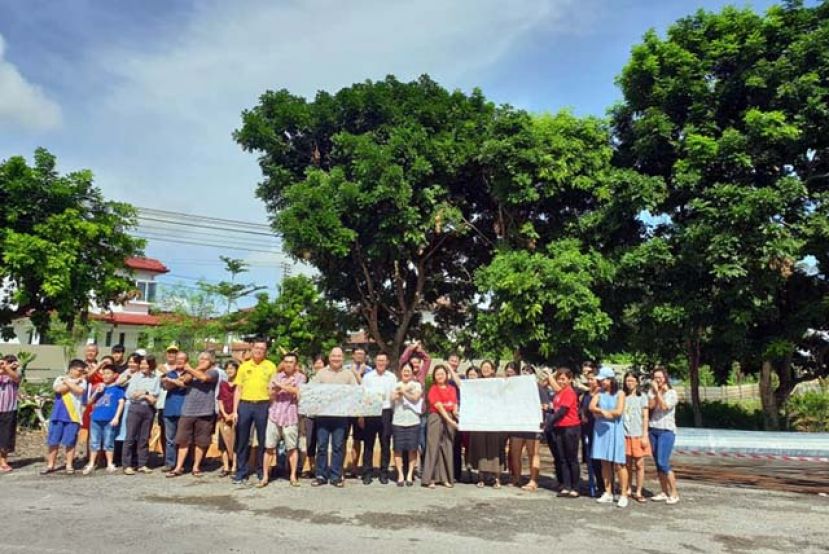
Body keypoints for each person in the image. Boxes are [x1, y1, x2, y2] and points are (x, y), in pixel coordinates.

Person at [168, 351, 219, 478]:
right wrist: (193, 369)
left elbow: (204, 378)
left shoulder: (213, 372)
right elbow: (185, 380)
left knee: (201, 442)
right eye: (200, 359)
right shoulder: (192, 371)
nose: (202, 361)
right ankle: (178, 467)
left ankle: (196, 466)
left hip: (205, 411)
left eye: (205, 359)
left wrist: (191, 369)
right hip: (188, 410)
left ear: (211, 361)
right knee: (183, 440)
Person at [233, 339, 277, 485]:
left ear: (266, 351)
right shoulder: (244, 366)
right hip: (245, 405)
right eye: (256, 348)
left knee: (264, 440)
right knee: (242, 439)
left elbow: (273, 390)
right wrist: (235, 411)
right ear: (252, 349)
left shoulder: (270, 366)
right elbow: (238, 389)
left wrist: (272, 407)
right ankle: (241, 472)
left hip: (263, 405)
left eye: (262, 349)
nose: (259, 350)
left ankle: (260, 471)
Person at [311, 347, 357, 488]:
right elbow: (312, 391)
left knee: (338, 447)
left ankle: (336, 476)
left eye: (339, 356)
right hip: (323, 416)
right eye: (333, 356)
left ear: (342, 358)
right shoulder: (321, 374)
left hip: (341, 416)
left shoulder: (348, 375)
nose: (336, 358)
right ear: (329, 358)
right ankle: (321, 475)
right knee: (322, 446)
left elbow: (355, 392)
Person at [260, 352, 306, 488]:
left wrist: (281, 386)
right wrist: (278, 388)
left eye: (291, 362)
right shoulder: (276, 376)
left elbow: (298, 392)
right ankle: (265, 476)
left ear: (296, 365)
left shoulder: (301, 377)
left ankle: (292, 476)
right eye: (286, 361)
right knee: (269, 447)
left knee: (292, 448)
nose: (288, 364)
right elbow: (270, 393)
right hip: (274, 415)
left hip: (291, 416)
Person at [590, 366, 629, 508]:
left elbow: (618, 411)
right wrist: (602, 411)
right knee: (604, 462)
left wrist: (604, 413)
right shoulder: (599, 392)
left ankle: (624, 494)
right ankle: (608, 492)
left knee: (619, 463)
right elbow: (591, 407)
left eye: (604, 380)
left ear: (610, 380)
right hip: (601, 430)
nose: (602, 383)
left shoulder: (620, 393)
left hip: (615, 430)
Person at [42, 359, 87, 475]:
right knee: (53, 441)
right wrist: (72, 382)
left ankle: (69, 464)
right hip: (57, 415)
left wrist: (69, 382)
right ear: (71, 369)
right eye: (79, 370)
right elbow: (58, 389)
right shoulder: (59, 378)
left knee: (70, 442)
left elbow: (80, 391)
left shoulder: (82, 381)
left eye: (82, 371)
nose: (81, 373)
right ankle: (51, 465)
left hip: (73, 416)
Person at [360, 352, 397, 485]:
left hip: (386, 411)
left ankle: (384, 473)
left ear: (387, 362)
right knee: (368, 444)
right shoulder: (368, 377)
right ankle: (367, 473)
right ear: (375, 362)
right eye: (379, 360)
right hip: (370, 413)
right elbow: (362, 396)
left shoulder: (392, 377)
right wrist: (362, 415)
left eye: (383, 360)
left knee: (385, 443)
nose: (381, 363)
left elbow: (394, 395)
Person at [467, 360, 504, 489]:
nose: (486, 369)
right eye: (484, 367)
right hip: (480, 422)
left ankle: (497, 478)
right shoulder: (476, 384)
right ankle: (481, 477)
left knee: (495, 450)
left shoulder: (499, 383)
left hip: (495, 422)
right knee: (481, 449)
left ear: (493, 370)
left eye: (488, 367)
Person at [83, 365, 126, 474]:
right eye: (104, 373)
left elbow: (121, 403)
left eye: (108, 373)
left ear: (115, 375)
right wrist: (97, 391)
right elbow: (89, 402)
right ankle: (92, 463)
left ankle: (109, 463)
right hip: (96, 418)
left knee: (108, 442)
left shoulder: (118, 389)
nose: (106, 376)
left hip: (109, 419)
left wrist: (116, 417)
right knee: (94, 442)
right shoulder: (99, 387)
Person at [508, 364, 545, 492]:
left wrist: (536, 408)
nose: (526, 374)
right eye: (523, 372)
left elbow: (546, 405)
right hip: (518, 425)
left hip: (533, 426)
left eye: (529, 372)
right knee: (515, 453)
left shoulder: (538, 388)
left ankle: (533, 480)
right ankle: (517, 478)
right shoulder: (515, 389)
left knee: (533, 453)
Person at [123, 355, 161, 475]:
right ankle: (127, 465)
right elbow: (131, 395)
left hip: (149, 409)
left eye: (147, 364)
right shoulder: (135, 377)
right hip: (135, 408)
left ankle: (142, 464)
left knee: (144, 438)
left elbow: (155, 397)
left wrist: (144, 392)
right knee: (130, 437)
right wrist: (147, 394)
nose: (144, 366)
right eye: (142, 364)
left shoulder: (155, 378)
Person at [547, 367, 582, 497]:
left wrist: (548, 423)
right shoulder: (559, 393)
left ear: (569, 379)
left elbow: (562, 411)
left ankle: (575, 486)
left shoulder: (569, 392)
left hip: (570, 428)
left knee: (571, 458)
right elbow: (555, 409)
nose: (561, 382)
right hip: (559, 427)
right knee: (562, 458)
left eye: (563, 379)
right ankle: (566, 485)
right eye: (559, 379)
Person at [422, 365, 458, 489]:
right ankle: (430, 478)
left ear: (447, 375)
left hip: (449, 417)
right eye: (437, 374)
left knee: (447, 446)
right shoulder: (433, 389)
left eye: (442, 373)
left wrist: (456, 415)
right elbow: (439, 406)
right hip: (436, 417)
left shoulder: (452, 389)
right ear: (434, 376)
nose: (440, 376)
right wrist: (450, 421)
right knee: (433, 447)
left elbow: (454, 405)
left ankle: (445, 478)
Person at [649, 366, 680, 504]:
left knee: (663, 462)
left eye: (660, 377)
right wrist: (655, 393)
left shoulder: (672, 393)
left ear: (665, 378)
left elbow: (664, 407)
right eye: (655, 378)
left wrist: (659, 392)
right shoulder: (652, 392)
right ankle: (664, 491)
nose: (658, 380)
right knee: (657, 463)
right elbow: (650, 406)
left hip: (666, 430)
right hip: (653, 429)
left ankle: (674, 493)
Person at [399, 341, 431, 462]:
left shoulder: (422, 375)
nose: (416, 366)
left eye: (418, 363)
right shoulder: (406, 375)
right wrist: (411, 348)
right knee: (409, 443)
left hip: (421, 414)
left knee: (423, 442)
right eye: (413, 364)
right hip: (408, 412)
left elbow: (428, 359)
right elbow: (402, 359)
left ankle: (424, 469)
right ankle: (409, 471)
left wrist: (419, 350)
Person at [391, 363, 422, 487]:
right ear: (400, 372)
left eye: (408, 370)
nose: (406, 373)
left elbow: (415, 398)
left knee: (412, 449)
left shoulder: (417, 384)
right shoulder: (396, 384)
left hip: (413, 421)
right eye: (404, 370)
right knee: (398, 449)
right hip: (398, 421)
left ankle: (409, 474)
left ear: (412, 372)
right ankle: (400, 475)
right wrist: (405, 391)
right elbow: (392, 397)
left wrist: (403, 392)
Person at [160, 351, 190, 472]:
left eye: (182, 359)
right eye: (177, 359)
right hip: (169, 409)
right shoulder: (170, 373)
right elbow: (167, 386)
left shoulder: (190, 373)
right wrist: (175, 381)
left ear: (186, 361)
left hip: (184, 410)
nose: (179, 361)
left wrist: (171, 380)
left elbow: (184, 384)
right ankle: (170, 463)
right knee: (170, 439)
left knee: (183, 439)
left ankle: (183, 463)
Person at [622, 371, 650, 502]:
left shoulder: (642, 397)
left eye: (632, 380)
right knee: (626, 464)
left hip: (638, 434)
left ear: (637, 382)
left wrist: (644, 435)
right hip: (625, 434)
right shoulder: (622, 396)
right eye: (627, 380)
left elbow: (645, 417)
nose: (629, 383)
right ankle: (627, 488)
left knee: (639, 464)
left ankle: (638, 491)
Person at [346, 347, 372, 478]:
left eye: (362, 353)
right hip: (345, 409)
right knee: (342, 438)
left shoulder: (370, 371)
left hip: (361, 410)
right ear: (352, 355)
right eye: (357, 353)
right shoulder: (345, 369)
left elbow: (367, 390)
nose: (360, 356)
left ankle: (355, 467)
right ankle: (341, 466)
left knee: (357, 439)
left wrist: (357, 374)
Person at [579, 370, 605, 497]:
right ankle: (594, 484)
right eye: (588, 379)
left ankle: (603, 485)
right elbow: (582, 407)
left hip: (599, 428)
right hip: (587, 428)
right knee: (590, 459)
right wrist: (583, 415)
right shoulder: (586, 394)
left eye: (592, 379)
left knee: (599, 459)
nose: (590, 381)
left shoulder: (602, 393)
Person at [114, 353, 143, 466]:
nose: (132, 364)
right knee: (122, 431)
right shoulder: (126, 372)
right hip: (125, 405)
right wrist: (128, 377)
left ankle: (134, 458)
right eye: (130, 362)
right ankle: (119, 458)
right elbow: (118, 383)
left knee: (134, 432)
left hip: (136, 404)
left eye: (134, 362)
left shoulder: (142, 374)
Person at [155, 343, 180, 467]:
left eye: (174, 353)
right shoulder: (159, 368)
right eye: (169, 352)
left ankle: (177, 460)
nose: (171, 355)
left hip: (177, 404)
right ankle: (167, 458)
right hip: (162, 404)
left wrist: (167, 374)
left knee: (177, 435)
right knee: (164, 433)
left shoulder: (180, 368)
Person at [217, 360, 238, 478]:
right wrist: (224, 414)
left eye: (232, 368)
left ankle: (234, 466)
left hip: (235, 415)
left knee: (235, 442)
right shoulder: (222, 384)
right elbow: (219, 399)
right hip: (223, 416)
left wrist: (234, 413)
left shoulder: (239, 385)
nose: (229, 371)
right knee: (222, 443)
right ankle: (226, 467)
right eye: (227, 368)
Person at [0, 355, 21, 473]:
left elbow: (16, 378)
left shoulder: (16, 374)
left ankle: (3, 461)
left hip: (9, 410)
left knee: (6, 438)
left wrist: (7, 368)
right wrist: (4, 367)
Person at [446, 352, 464, 481]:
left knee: (456, 444)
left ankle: (456, 473)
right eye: (451, 360)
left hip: (457, 413)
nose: (453, 362)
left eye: (456, 361)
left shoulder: (461, 376)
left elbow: (460, 385)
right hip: (443, 411)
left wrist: (451, 371)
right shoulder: (441, 375)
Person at [460, 366, 479, 482]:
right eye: (470, 375)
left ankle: (478, 470)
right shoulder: (464, 387)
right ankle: (468, 468)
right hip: (467, 421)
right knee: (467, 446)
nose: (472, 377)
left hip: (479, 421)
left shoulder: (483, 387)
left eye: (474, 374)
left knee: (478, 446)